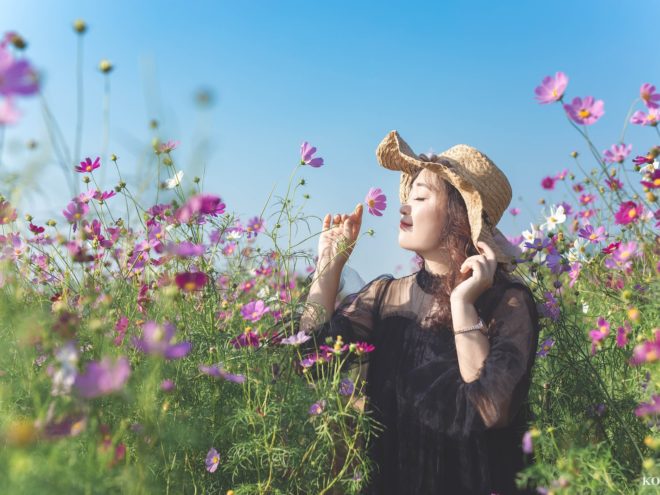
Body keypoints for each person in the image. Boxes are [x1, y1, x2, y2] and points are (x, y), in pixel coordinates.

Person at [298, 130, 541, 494]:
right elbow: (308, 356)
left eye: (421, 196)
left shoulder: (507, 302)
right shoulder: (386, 297)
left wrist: (462, 304)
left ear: (461, 215)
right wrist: (328, 266)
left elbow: (490, 408)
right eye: (408, 197)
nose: (404, 206)